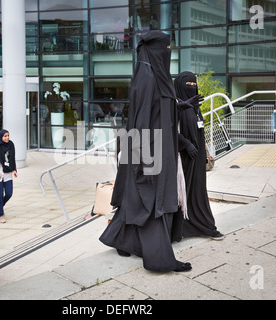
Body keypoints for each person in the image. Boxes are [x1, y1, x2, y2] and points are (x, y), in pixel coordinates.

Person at [99, 31, 197, 273]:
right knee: (151, 203)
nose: (169, 52)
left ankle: (120, 239)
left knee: (138, 200)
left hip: (155, 149)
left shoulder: (155, 75)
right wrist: (144, 161)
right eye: (166, 48)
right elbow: (142, 121)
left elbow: (160, 110)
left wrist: (180, 106)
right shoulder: (147, 78)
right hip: (149, 153)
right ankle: (160, 259)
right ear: (155, 49)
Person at [175, 71, 224, 240]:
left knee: (198, 193)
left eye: (193, 84)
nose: (192, 87)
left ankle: (204, 226)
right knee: (182, 194)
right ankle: (180, 229)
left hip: (196, 158)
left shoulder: (195, 106)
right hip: (183, 158)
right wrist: (186, 144)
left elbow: (199, 129)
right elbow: (168, 129)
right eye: (187, 85)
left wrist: (204, 152)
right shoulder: (176, 105)